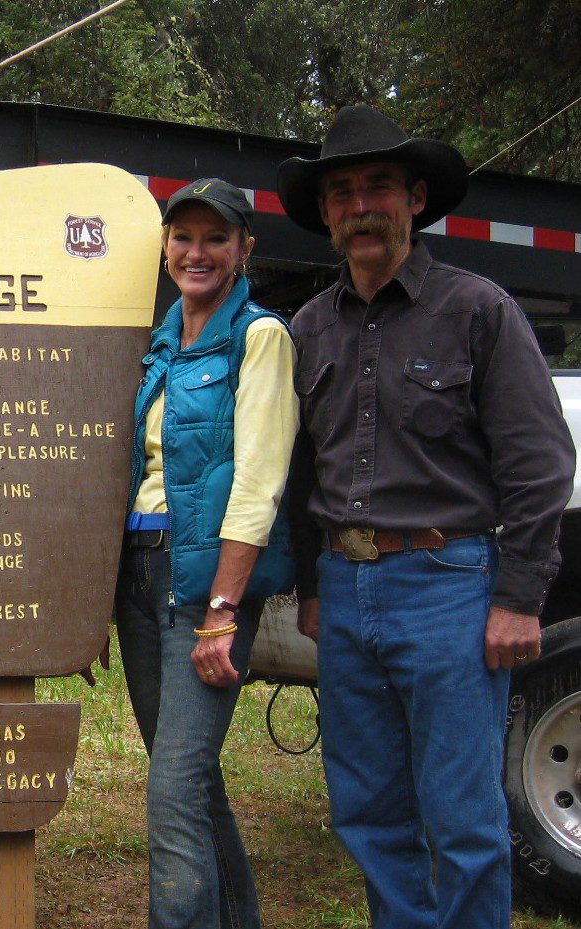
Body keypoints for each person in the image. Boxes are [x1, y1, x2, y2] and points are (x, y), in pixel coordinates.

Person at [278, 104, 575, 929]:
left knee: (462, 818)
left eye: (377, 186)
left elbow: (539, 461)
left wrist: (518, 596)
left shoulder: (476, 309)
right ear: (327, 213)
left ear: (413, 199)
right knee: (368, 812)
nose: (359, 205)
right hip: (343, 588)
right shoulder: (307, 327)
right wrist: (311, 584)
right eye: (341, 192)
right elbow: (301, 468)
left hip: (450, 585)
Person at [114, 178, 298, 929]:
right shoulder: (160, 347)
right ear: (164, 249)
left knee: (173, 794)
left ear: (243, 250)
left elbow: (257, 487)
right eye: (182, 237)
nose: (197, 252)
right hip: (139, 572)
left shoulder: (260, 337)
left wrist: (223, 609)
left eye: (215, 238)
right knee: (188, 780)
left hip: (201, 587)